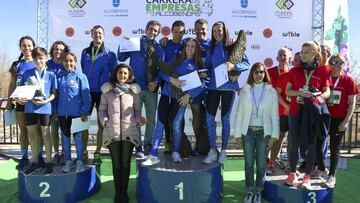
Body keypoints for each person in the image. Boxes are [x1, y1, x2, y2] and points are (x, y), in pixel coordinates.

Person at [142, 38, 206, 165]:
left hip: (181, 99)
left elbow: (202, 84)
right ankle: (153, 153)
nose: (190, 48)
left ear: (196, 49)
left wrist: (189, 95)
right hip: (166, 95)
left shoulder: (198, 65)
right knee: (160, 124)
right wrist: (171, 79)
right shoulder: (176, 59)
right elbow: (162, 73)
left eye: (193, 46)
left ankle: (175, 152)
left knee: (176, 126)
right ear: (185, 47)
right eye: (188, 45)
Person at [285, 41, 331, 189]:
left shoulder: (323, 71)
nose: (302, 55)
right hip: (295, 112)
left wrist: (319, 97)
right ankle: (292, 173)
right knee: (294, 143)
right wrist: (300, 92)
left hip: (312, 113)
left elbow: (327, 91)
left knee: (312, 144)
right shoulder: (294, 71)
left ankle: (307, 176)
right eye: (302, 51)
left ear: (314, 54)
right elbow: (288, 92)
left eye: (306, 52)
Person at [203, 21, 249, 164]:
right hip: (213, 88)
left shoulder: (233, 45)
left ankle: (223, 151)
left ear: (225, 31)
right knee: (209, 118)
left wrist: (234, 65)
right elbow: (208, 67)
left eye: (220, 30)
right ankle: (212, 150)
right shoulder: (210, 48)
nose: (217, 33)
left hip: (229, 87)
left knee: (225, 120)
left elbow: (246, 64)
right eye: (215, 31)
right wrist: (204, 73)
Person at [98, 64, 144, 203]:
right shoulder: (107, 92)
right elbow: (101, 110)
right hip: (112, 132)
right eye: (120, 73)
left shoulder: (133, 93)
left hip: (130, 132)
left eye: (125, 73)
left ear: (129, 76)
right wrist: (105, 121)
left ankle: (124, 192)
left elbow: (137, 111)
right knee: (116, 164)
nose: (122, 76)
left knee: (125, 164)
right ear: (115, 74)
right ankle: (118, 192)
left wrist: (137, 121)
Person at [118, 20, 165, 156]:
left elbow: (162, 68)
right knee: (135, 118)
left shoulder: (159, 48)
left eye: (156, 31)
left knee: (151, 119)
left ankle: (148, 144)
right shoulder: (134, 43)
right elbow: (121, 57)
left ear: (158, 33)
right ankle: (137, 145)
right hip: (135, 88)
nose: (153, 32)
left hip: (151, 89)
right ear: (145, 29)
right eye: (151, 29)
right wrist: (124, 43)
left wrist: (156, 81)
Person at [235, 62, 278, 203]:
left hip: (263, 134)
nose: (259, 74)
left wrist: (274, 136)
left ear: (265, 74)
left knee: (261, 164)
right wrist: (237, 134)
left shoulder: (271, 91)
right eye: (256, 72)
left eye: (261, 72)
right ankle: (249, 191)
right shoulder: (246, 90)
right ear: (251, 74)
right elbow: (239, 113)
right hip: (247, 132)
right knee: (248, 163)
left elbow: (274, 115)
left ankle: (258, 192)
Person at [18, 47, 57, 175]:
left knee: (46, 136)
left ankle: (49, 162)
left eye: (41, 58)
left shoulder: (51, 75)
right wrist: (19, 99)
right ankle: (35, 162)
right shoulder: (27, 74)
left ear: (46, 58)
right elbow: (21, 91)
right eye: (36, 59)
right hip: (30, 108)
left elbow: (54, 93)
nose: (38, 61)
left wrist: (46, 101)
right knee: (33, 136)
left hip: (45, 109)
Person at [81, 25, 117, 164]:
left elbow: (114, 74)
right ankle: (84, 151)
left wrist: (111, 88)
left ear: (104, 35)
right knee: (84, 123)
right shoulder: (85, 52)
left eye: (100, 33)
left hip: (103, 93)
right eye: (95, 33)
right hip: (87, 93)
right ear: (91, 35)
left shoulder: (110, 54)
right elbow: (83, 71)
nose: (98, 35)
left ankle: (97, 151)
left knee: (102, 124)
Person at [324, 54, 359, 188]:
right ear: (329, 64)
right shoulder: (325, 78)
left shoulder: (348, 80)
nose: (336, 64)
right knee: (317, 144)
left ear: (343, 64)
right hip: (323, 117)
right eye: (332, 62)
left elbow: (352, 103)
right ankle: (319, 168)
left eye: (339, 62)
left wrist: (346, 121)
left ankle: (332, 175)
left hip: (339, 119)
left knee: (334, 148)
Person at [56, 52, 91, 173]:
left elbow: (86, 96)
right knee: (65, 138)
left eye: (71, 61)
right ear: (63, 62)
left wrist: (84, 111)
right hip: (62, 113)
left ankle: (80, 161)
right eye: (66, 61)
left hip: (78, 114)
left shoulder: (81, 76)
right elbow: (55, 96)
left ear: (75, 62)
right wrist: (55, 111)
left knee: (78, 139)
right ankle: (68, 161)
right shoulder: (58, 76)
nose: (68, 63)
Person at [7, 36, 36, 170]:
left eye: (29, 45)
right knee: (23, 131)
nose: (27, 48)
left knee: (36, 132)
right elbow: (12, 85)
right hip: (20, 103)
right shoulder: (16, 64)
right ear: (20, 48)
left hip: (36, 103)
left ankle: (37, 157)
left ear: (33, 46)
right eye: (24, 46)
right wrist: (10, 101)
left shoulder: (39, 62)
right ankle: (24, 157)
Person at [160, 20, 186, 153]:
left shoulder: (187, 45)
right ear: (171, 31)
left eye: (181, 32)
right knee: (165, 117)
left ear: (184, 32)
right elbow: (160, 66)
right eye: (175, 32)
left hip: (182, 87)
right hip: (167, 85)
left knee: (178, 118)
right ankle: (168, 142)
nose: (178, 35)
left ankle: (179, 144)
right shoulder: (165, 44)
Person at [266, 47, 291, 174]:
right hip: (272, 112)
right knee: (273, 139)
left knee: (283, 139)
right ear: (276, 58)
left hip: (287, 113)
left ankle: (280, 163)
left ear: (289, 59)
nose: (282, 57)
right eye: (280, 55)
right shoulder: (269, 72)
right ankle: (268, 161)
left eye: (285, 55)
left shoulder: (293, 73)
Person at [47, 41, 70, 164]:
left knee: (65, 130)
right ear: (53, 50)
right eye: (56, 49)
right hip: (50, 103)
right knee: (54, 130)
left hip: (64, 103)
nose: (58, 51)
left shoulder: (68, 64)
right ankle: (56, 153)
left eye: (61, 49)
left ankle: (65, 153)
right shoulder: (47, 64)